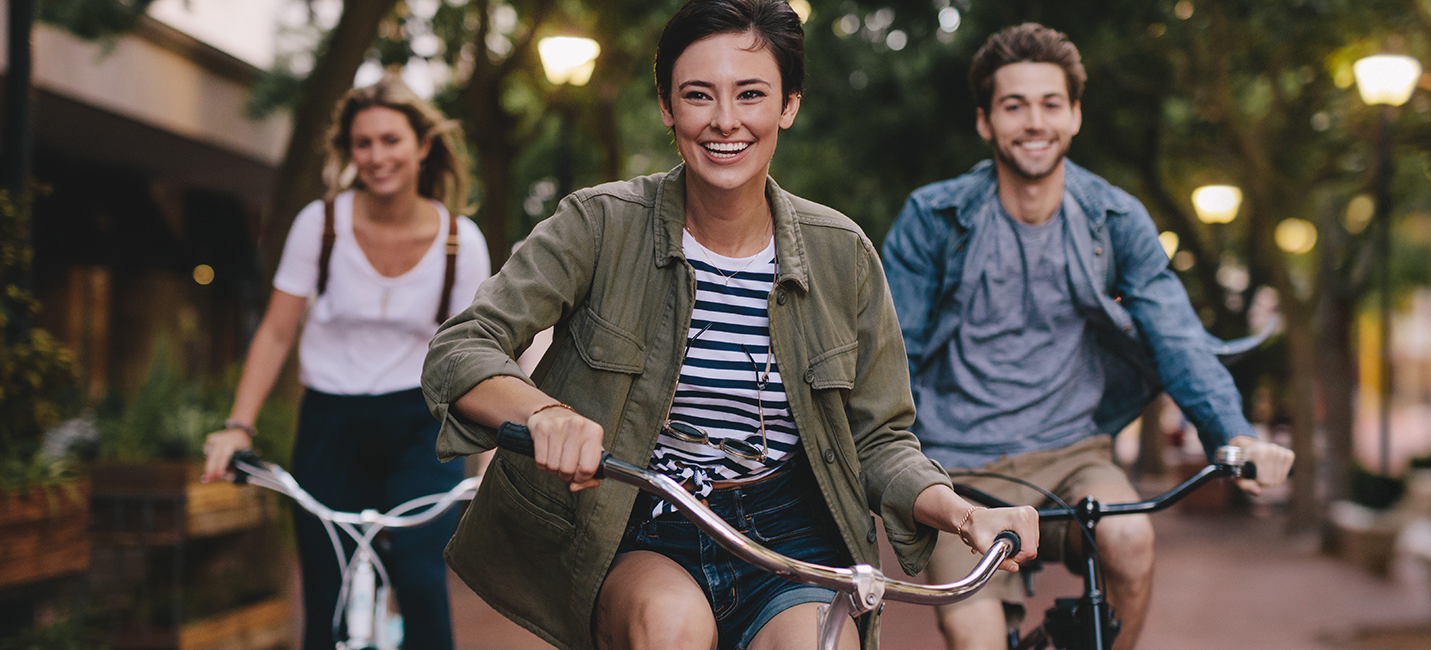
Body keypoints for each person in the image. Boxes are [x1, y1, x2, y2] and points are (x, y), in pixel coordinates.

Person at [420, 2, 1039, 649]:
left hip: (788, 534)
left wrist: (966, 513)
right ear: (667, 107)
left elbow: (879, 440)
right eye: (697, 95)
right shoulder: (599, 223)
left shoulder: (843, 253)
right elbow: (461, 348)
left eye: (750, 94)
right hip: (647, 522)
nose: (725, 120)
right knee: (671, 627)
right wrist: (545, 412)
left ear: (788, 104)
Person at [880, 23, 1297, 650]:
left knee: (1131, 539)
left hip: (1074, 453)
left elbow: (1177, 336)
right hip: (956, 464)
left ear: (1075, 115)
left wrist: (1232, 435)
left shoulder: (1116, 218)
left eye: (1051, 104)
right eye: (1013, 106)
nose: (1034, 122)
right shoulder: (933, 218)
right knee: (977, 640)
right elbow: (893, 356)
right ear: (985, 122)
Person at [199, 76, 490, 650]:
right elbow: (278, 331)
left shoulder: (461, 240)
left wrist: (488, 458)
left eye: (390, 140)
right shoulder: (321, 224)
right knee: (324, 594)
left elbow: (476, 355)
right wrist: (238, 427)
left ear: (422, 146)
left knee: (418, 574)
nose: (376, 157)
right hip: (330, 422)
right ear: (348, 151)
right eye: (363, 143)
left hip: (421, 427)